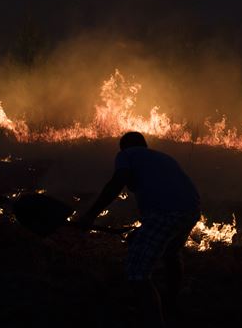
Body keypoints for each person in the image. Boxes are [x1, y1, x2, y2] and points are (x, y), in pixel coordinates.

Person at [76, 131, 200, 326]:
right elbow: (161, 189)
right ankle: (170, 304)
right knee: (171, 253)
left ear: (123, 148)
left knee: (137, 274)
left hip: (166, 213)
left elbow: (118, 182)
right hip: (191, 209)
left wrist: (91, 215)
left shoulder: (127, 155)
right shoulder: (161, 157)